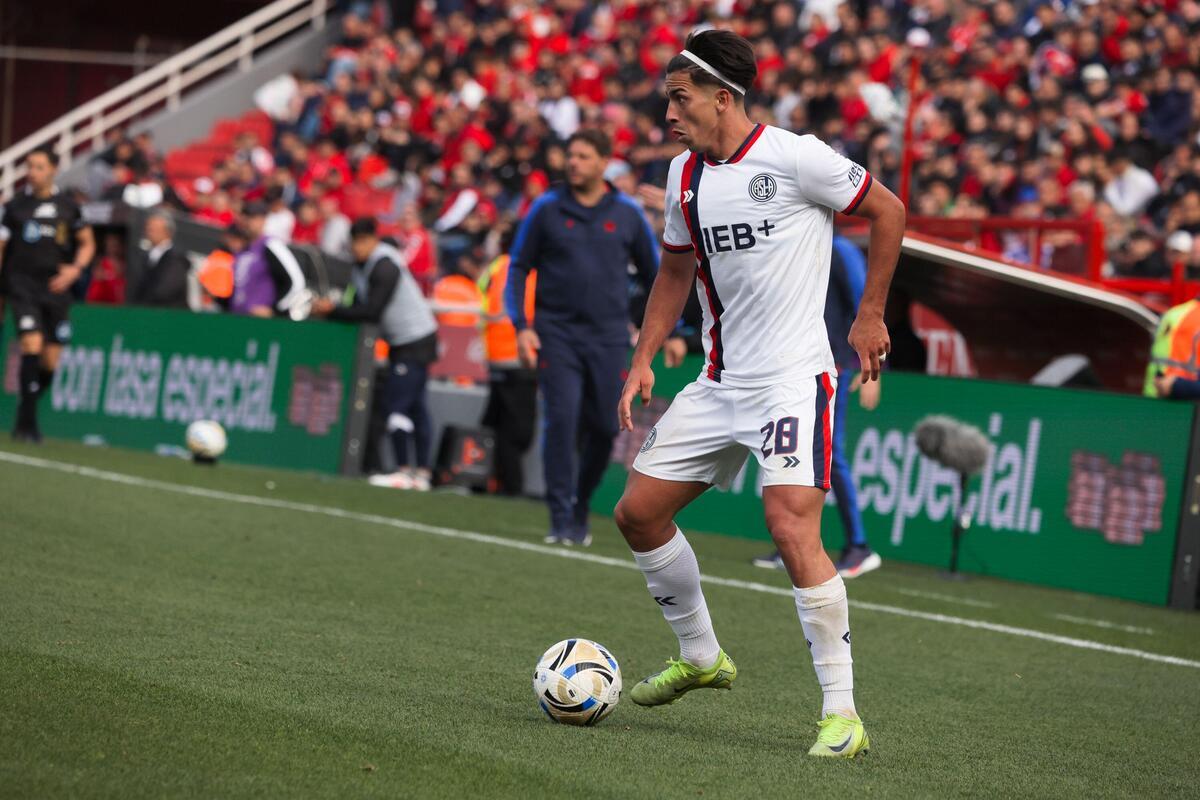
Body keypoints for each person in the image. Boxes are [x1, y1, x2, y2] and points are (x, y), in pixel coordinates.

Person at [612, 31, 904, 758]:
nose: (668, 112)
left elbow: (890, 211)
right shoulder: (683, 177)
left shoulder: (796, 157)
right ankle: (702, 656)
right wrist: (644, 356)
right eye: (667, 98)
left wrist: (869, 315)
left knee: (790, 528)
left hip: (792, 381)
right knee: (637, 514)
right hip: (718, 381)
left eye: (680, 98)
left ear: (722, 96)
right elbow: (673, 275)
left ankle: (843, 715)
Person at [505, 129, 659, 545]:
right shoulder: (547, 208)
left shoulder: (626, 213)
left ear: (605, 162)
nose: (573, 162)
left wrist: (663, 327)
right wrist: (521, 326)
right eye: (570, 155)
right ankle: (560, 518)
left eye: (584, 156)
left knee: (603, 427)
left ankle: (579, 506)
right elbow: (518, 267)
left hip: (608, 337)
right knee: (562, 419)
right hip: (556, 333)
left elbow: (657, 276)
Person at [752, 235, 883, 579]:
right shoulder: (790, 241)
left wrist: (873, 364)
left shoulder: (840, 249)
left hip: (833, 367)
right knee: (791, 455)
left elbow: (864, 302)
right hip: (792, 367)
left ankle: (859, 545)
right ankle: (796, 544)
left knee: (829, 455)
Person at [312, 218, 439, 490]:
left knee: (398, 406)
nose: (356, 248)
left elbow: (372, 311)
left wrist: (332, 311)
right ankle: (423, 475)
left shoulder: (385, 266)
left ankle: (405, 470)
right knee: (416, 407)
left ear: (372, 240)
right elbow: (358, 303)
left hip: (415, 340)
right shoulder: (363, 266)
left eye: (360, 242)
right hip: (405, 341)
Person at [0, 147, 95, 442]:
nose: (33, 172)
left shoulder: (68, 207)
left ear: (53, 169)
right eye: (30, 166)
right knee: (31, 342)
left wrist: (75, 270)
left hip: (54, 291)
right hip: (21, 285)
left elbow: (87, 243)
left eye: (39, 166)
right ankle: (26, 427)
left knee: (50, 361)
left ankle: (26, 410)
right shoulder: (15, 206)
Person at [480, 241, 538, 496]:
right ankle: (510, 486)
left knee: (495, 421)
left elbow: (481, 296)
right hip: (523, 356)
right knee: (518, 429)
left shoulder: (496, 266)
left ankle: (488, 477)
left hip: (495, 352)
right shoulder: (537, 268)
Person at [229, 201, 308, 318]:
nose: (246, 222)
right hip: (237, 319)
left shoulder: (271, 245)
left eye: (252, 217)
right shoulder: (242, 252)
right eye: (244, 217)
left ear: (263, 220)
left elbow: (296, 282)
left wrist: (275, 310)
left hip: (262, 324)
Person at [129, 210, 191, 308]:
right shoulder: (144, 255)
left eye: (153, 229)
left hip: (168, 315)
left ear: (167, 231)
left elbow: (165, 290)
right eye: (147, 228)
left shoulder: (176, 258)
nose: (148, 232)